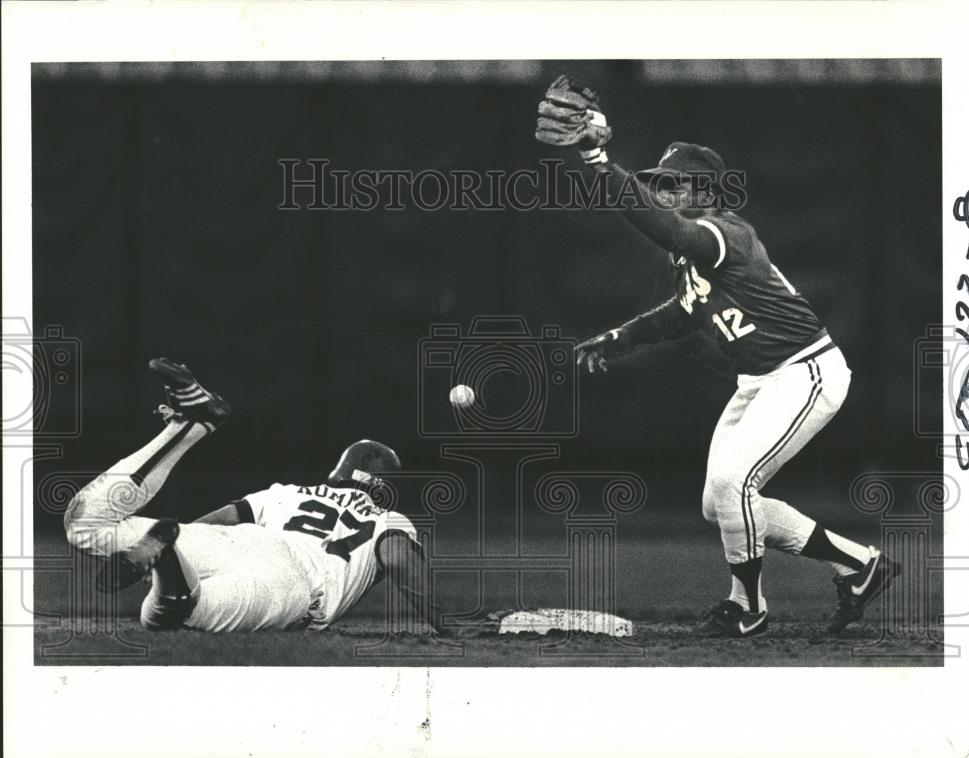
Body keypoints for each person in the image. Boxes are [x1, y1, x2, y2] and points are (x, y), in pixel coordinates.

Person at [535, 75, 900, 637]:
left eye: (676, 185)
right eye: (660, 183)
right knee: (720, 503)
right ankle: (859, 564)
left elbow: (668, 232)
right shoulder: (695, 254)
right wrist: (621, 337)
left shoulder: (726, 234)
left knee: (734, 484)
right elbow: (682, 313)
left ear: (706, 191)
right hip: (761, 380)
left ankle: (746, 606)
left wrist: (598, 159)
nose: (664, 192)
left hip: (806, 372)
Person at [64, 357, 446, 635]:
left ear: (339, 474)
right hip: (293, 583)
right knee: (170, 614)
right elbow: (397, 559)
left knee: (84, 525)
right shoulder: (388, 519)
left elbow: (214, 523)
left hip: (247, 539)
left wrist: (191, 545)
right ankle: (167, 561)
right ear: (382, 490)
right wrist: (446, 628)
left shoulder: (289, 492)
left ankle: (188, 428)